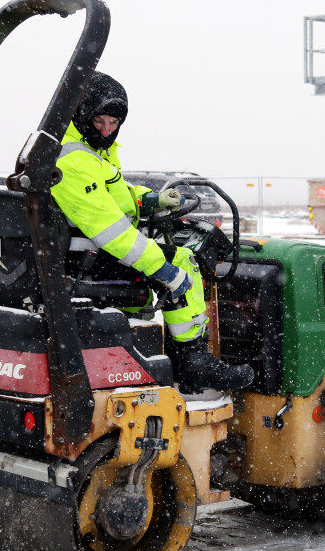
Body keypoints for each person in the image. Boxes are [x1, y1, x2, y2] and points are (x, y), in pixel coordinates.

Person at [51, 71, 253, 395]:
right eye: (100, 120)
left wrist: (151, 199)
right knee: (184, 260)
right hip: (86, 260)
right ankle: (194, 361)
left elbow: (114, 194)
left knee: (162, 260)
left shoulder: (90, 148)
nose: (106, 129)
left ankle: (142, 351)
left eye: (113, 123)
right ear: (82, 113)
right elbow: (112, 231)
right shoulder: (73, 158)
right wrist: (164, 269)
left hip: (89, 255)